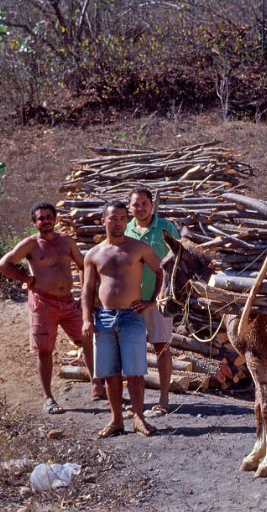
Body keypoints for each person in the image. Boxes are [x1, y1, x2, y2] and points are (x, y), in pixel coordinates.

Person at [0, 202, 104, 415]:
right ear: (34, 222)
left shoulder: (66, 241)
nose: (45, 220)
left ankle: (96, 384)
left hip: (67, 300)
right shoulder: (30, 244)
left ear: (55, 218)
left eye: (48, 216)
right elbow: (3, 265)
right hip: (42, 303)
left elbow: (83, 265)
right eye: (40, 218)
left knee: (88, 339)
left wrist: (85, 291)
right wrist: (26, 278)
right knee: (44, 351)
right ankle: (48, 398)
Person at [81, 200, 163, 438]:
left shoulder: (138, 248)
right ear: (102, 221)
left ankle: (139, 418)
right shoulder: (94, 254)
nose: (117, 223)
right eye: (112, 218)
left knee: (135, 371)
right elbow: (87, 288)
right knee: (109, 372)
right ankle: (117, 420)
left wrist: (153, 301)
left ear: (126, 222)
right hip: (104, 318)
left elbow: (161, 271)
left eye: (121, 219)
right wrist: (87, 318)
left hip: (131, 316)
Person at [126, 185, 181, 416]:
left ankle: (164, 398)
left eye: (144, 204)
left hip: (158, 299)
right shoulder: (126, 229)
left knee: (161, 346)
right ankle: (136, 402)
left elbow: (178, 260)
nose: (140, 208)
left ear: (152, 204)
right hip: (131, 300)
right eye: (135, 205)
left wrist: (164, 295)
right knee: (131, 350)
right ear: (129, 208)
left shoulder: (166, 228)